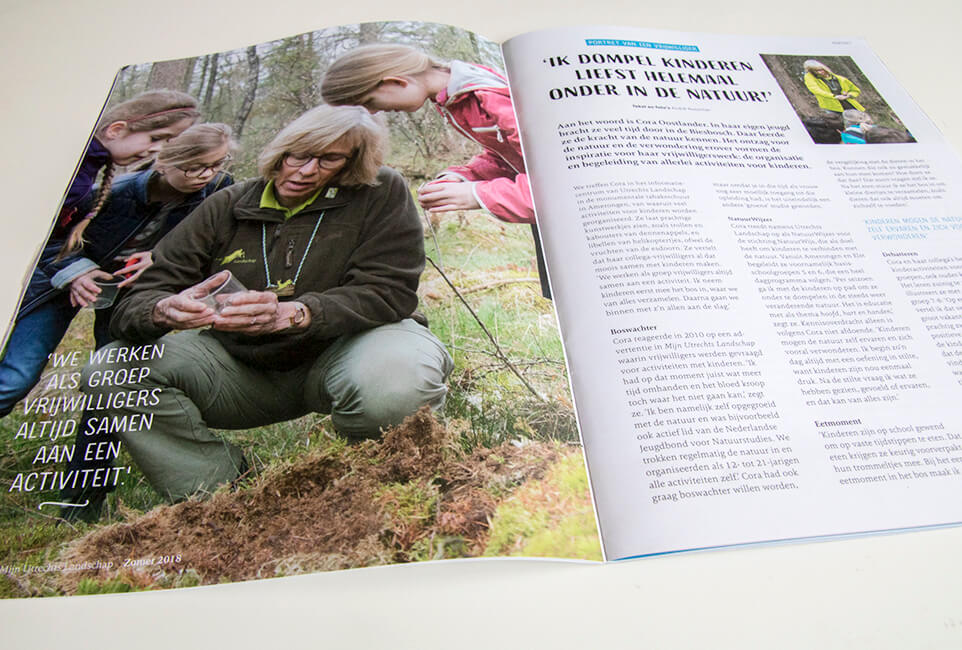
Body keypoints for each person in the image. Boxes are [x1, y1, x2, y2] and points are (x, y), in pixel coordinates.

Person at [66, 104, 453, 512]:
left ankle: (389, 490)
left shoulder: (380, 191)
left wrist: (295, 312)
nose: (305, 171)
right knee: (110, 367)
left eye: (328, 160)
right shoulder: (226, 204)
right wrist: (165, 310)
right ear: (279, 151)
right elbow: (137, 300)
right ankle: (223, 499)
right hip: (244, 368)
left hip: (352, 349)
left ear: (351, 162)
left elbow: (389, 291)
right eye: (297, 155)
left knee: (397, 380)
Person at [0, 90, 199, 416]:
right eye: (156, 138)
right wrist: (72, 270)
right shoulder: (69, 167)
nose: (158, 149)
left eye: (168, 143)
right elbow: (28, 232)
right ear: (116, 129)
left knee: (17, 379)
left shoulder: (91, 169)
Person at [321, 44, 552, 298]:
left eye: (370, 102)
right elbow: (516, 158)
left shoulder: (488, 96)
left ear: (395, 82)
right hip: (546, 221)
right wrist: (463, 177)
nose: (375, 112)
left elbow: (567, 182)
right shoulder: (455, 99)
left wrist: (477, 195)